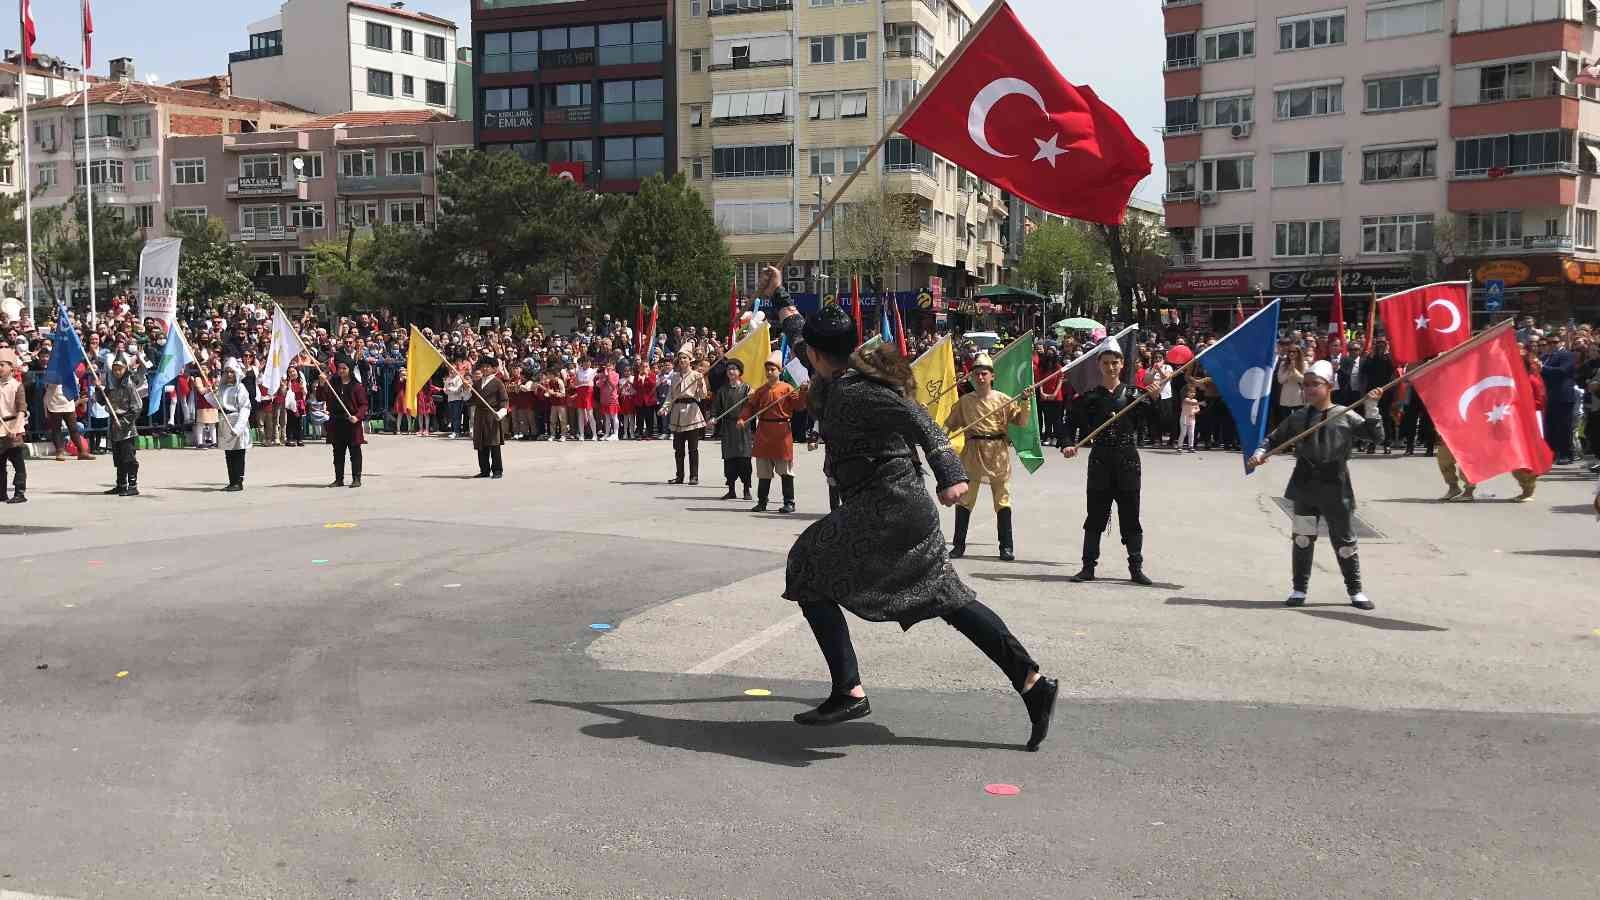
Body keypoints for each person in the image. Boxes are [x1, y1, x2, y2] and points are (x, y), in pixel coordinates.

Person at [782, 304, 1059, 751]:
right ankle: (1032, 682)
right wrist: (785, 306)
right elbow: (799, 338)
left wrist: (952, 474)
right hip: (896, 504)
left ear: (816, 355)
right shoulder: (834, 375)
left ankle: (848, 691)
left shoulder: (857, 390)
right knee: (949, 598)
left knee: (805, 564)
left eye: (807, 351)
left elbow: (922, 423)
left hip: (888, 504)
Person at [1247, 360, 1385, 610]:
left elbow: (1375, 436)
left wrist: (1372, 406)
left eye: (1315, 384)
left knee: (1344, 540)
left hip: (1336, 486)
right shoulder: (1299, 417)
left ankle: (1355, 591)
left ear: (1329, 386)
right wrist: (1260, 452)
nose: (1309, 389)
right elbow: (1273, 438)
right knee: (1302, 538)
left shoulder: (1345, 414)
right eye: (1306, 385)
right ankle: (1299, 589)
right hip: (1305, 487)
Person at [1059, 345, 1156, 585]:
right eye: (1106, 363)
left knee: (1131, 516)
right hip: (1100, 461)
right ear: (1099, 365)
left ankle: (1136, 568)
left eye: (1115, 362)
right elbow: (1068, 424)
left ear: (1122, 364)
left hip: (1127, 462)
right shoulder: (1090, 397)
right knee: (1095, 516)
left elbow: (1160, 423)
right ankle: (1088, 567)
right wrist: (1067, 444)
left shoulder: (1136, 395)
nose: (1111, 367)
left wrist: (1155, 399)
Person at [942, 352, 1033, 561]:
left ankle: (1006, 547)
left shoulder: (1003, 400)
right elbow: (950, 424)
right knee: (965, 500)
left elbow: (1020, 421)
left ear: (992, 376)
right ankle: (958, 545)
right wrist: (938, 436)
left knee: (1002, 500)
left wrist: (1026, 401)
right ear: (971, 377)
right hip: (973, 451)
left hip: (997, 451)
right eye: (976, 374)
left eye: (984, 373)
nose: (980, 377)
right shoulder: (964, 402)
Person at [740, 352, 807, 513]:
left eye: (773, 369)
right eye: (767, 370)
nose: (770, 372)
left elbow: (799, 406)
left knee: (785, 470)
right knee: (763, 471)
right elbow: (750, 406)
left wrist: (804, 392)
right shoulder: (760, 390)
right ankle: (762, 501)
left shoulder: (788, 388)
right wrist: (742, 418)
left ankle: (789, 502)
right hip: (763, 431)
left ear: (779, 370)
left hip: (782, 431)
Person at [318, 356, 369, 488]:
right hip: (336, 422)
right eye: (339, 368)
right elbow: (321, 397)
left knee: (355, 452)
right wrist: (322, 383)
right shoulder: (333, 384)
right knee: (338, 453)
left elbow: (364, 405)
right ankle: (338, 479)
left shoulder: (357, 387)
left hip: (352, 423)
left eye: (344, 368)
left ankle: (356, 478)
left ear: (350, 370)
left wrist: (357, 417)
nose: (341, 371)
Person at [102, 353, 147, 497]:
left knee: (128, 457)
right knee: (118, 457)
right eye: (115, 369)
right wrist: (99, 389)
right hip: (114, 424)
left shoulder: (129, 385)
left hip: (126, 426)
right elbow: (102, 400)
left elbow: (137, 406)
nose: (117, 372)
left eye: (119, 369)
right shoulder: (111, 384)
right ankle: (121, 484)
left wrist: (125, 422)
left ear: (125, 369)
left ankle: (133, 485)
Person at [711, 358, 753, 501]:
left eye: (734, 369)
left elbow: (752, 407)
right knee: (729, 460)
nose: (731, 371)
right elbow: (716, 408)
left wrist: (752, 397)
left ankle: (747, 489)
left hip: (743, 427)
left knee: (744, 459)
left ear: (740, 372)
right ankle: (731, 489)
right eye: (729, 369)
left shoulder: (747, 389)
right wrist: (713, 417)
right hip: (728, 428)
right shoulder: (722, 390)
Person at [207, 360, 253, 492]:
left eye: (231, 371)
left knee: (238, 452)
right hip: (225, 420)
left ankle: (238, 481)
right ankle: (231, 480)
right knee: (229, 453)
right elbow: (218, 405)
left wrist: (239, 427)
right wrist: (212, 394)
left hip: (236, 419)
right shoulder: (222, 387)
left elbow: (245, 408)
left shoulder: (240, 388)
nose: (229, 374)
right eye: (227, 371)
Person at [664, 350, 709, 485]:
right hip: (677, 411)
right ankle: (679, 476)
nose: (682, 360)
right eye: (680, 358)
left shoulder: (697, 375)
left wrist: (701, 385)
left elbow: (702, 396)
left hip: (692, 411)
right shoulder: (675, 377)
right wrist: (665, 408)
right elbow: (670, 396)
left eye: (685, 358)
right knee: (678, 448)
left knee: (693, 448)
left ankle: (694, 476)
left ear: (690, 360)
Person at [471, 356, 508, 479]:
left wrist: (501, 412)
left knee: (494, 443)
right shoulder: (477, 383)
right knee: (481, 443)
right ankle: (484, 470)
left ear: (493, 369)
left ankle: (497, 470)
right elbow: (471, 400)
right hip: (479, 416)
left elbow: (504, 400)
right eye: (483, 366)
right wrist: (466, 390)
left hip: (492, 415)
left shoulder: (498, 383)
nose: (485, 369)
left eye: (488, 366)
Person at [0, 348, 28, 503]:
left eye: (2, 364)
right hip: (0, 427)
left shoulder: (17, 385)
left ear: (11, 367)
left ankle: (19, 492)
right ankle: (1, 493)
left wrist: (16, 428)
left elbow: (21, 409)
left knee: (18, 463)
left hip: (13, 427)